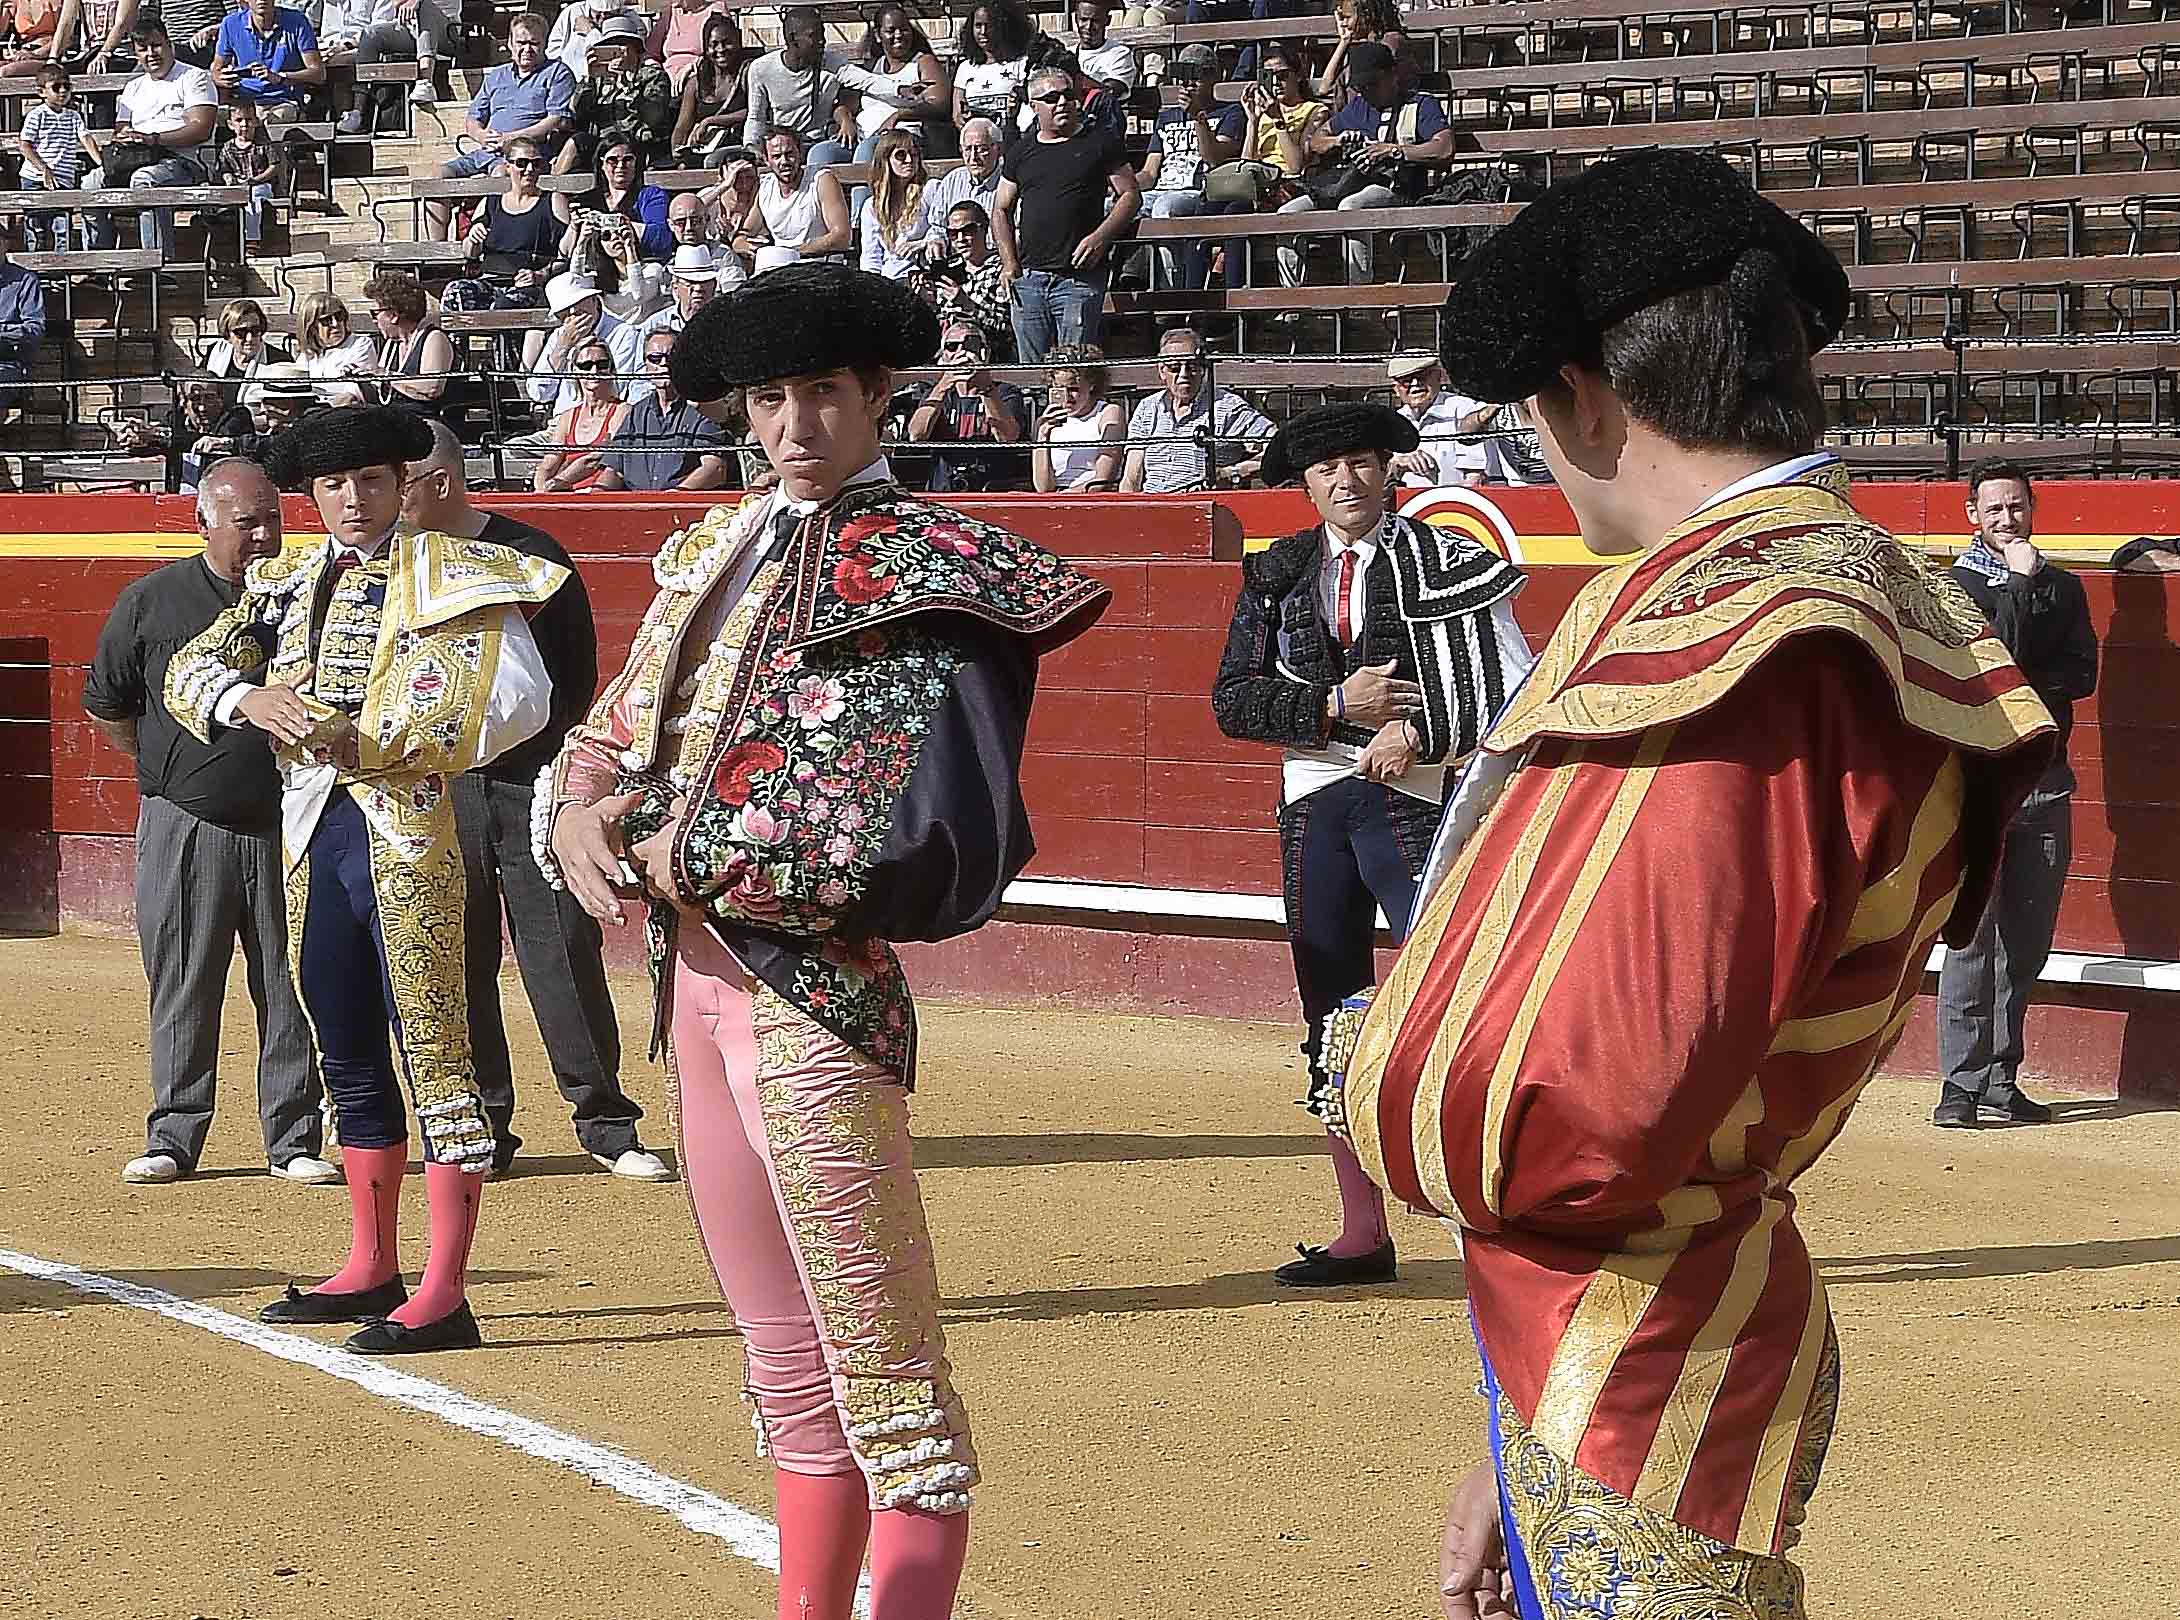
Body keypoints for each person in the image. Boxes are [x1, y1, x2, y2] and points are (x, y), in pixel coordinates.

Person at [1324, 151, 2056, 1620]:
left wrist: (1370, 1074)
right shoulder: (1802, 596)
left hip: (1640, 1364)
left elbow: (1596, 1101)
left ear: (1589, 396)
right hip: (1604, 1350)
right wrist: (1504, 1446)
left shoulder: (1755, 634)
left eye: (1540, 419)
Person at [540, 259, 1109, 1620]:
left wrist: (694, 843)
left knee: (888, 1380)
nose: (795, 425)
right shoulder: (710, 551)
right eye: (771, 400)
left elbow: (904, 828)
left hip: (813, 1001)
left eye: (822, 396)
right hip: (698, 991)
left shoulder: (928, 569)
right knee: (784, 1362)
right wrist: (574, 806)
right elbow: (616, 726)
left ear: (879, 399)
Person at [166, 404, 567, 1355]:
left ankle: (446, 1288)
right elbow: (187, 672)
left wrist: (379, 740)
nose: (354, 500)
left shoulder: (456, 573)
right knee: (341, 1037)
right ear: (313, 495)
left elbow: (522, 701)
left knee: (435, 1048)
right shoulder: (286, 581)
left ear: (402, 487)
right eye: (336, 486)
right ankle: (372, 1263)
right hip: (316, 833)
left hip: (409, 828)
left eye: (373, 482)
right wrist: (247, 694)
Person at [1211, 401, 1528, 1287]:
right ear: (1305, 484)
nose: (1344, 480)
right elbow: (1233, 701)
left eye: (1360, 462)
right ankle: (1362, 1231)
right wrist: (1329, 710)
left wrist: (1419, 733)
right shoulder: (1276, 575)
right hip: (1316, 802)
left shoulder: (1447, 562)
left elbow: (1514, 690)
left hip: (1419, 802)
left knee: (1461, 1004)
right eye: (1325, 468)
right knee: (1331, 1013)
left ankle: (1492, 1213)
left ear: (1390, 469)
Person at [394, 421, 669, 1182]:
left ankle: (605, 1120)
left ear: (440, 482)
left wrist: (557, 778)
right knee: (461, 955)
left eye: (401, 480)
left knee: (560, 950)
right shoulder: (396, 561)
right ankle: (484, 1126)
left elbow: (573, 675)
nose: (389, 497)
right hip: (438, 786)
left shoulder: (531, 556)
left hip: (530, 784)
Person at [84, 459, 332, 1189]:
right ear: (205, 523)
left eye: (273, 521)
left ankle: (292, 1136)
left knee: (292, 981)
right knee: (184, 979)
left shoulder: (306, 599)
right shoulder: (154, 601)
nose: (263, 537)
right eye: (246, 523)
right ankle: (175, 1131)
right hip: (188, 821)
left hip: (293, 820)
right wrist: (166, 772)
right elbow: (110, 706)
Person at [1935, 460, 2100, 1129]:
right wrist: (2022, 588)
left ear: (2034, 508)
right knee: (1972, 939)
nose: (2008, 519)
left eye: (2017, 507)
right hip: (1979, 782)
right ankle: (1959, 1084)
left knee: (2028, 940)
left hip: (2045, 780)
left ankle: (2001, 1077)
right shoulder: (1954, 588)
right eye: (1994, 509)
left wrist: (2032, 609)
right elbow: (1996, 661)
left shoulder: (2065, 586)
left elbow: (2081, 672)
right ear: (1972, 515)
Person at [991, 64, 1140, 363]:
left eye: (1067, 95)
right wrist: (1009, 264)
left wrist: (1101, 237)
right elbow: (1000, 209)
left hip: (1079, 280)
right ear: (1034, 107)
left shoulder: (1100, 142)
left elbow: (1130, 195)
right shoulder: (1021, 151)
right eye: (1051, 98)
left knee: (1075, 372)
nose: (1061, 102)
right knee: (1031, 379)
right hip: (1029, 279)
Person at [1275, 40, 1449, 290]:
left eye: (1372, 84)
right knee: (1287, 215)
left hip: (1397, 187)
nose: (1366, 91)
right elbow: (1315, 142)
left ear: (1392, 75)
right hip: (1346, 182)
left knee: (1351, 207)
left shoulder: (1420, 104)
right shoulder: (1359, 106)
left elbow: (1444, 148)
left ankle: (1358, 296)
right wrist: (1338, 140)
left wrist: (1394, 150)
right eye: (1360, 86)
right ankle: (1292, 300)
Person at [82, 20, 216, 264]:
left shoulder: (194, 77)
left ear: (169, 45)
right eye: (142, 49)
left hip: (184, 161)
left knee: (144, 180)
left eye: (156, 46)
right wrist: (130, 138)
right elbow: (121, 130)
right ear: (135, 53)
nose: (150, 54)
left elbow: (201, 129)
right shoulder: (133, 87)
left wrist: (153, 139)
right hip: (136, 157)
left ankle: (157, 263)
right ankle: (97, 262)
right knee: (90, 183)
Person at [429, 12, 574, 238]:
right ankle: (436, 252)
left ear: (544, 44)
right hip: (487, 150)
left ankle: (489, 246)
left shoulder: (557, 73)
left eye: (534, 43)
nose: (527, 49)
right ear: (509, 43)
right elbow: (472, 120)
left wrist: (512, 138)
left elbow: (555, 119)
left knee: (499, 176)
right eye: (521, 42)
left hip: (527, 156)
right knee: (437, 176)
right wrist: (481, 135)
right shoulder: (496, 76)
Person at [1133, 43, 1242, 291]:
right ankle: (1125, 283)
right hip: (1160, 189)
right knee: (1111, 206)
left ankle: (1171, 292)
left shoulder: (1230, 112)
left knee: (1164, 208)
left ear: (1215, 76)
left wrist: (1197, 117)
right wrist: (1122, 185)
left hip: (1197, 191)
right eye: (1182, 76)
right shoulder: (1166, 116)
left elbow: (1214, 159)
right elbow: (1150, 173)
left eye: (1197, 75)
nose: (1188, 83)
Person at [1220, 45, 1324, 289]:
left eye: (1283, 75)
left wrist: (1278, 120)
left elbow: (1296, 165)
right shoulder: (1263, 114)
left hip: (1289, 184)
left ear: (1298, 75)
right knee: (1207, 208)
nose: (1276, 83)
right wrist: (1253, 122)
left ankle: (1235, 290)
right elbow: (1247, 164)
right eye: (1269, 76)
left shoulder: (1315, 111)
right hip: (1258, 184)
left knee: (1235, 210)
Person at [1120, 325, 1270, 491]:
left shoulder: (1227, 406)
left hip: (1204, 505)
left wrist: (1233, 472)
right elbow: (1131, 478)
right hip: (1152, 505)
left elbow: (1275, 446)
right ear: (1162, 371)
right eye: (1174, 368)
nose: (1184, 374)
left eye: (1192, 367)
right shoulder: (1147, 408)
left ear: (1203, 369)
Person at [595, 326, 735, 490]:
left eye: (671, 357)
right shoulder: (636, 413)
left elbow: (714, 468)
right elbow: (614, 469)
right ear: (646, 366)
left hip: (685, 507)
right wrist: (598, 491)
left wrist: (674, 496)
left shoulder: (702, 408)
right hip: (637, 508)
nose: (664, 364)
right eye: (655, 358)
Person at [444, 135, 565, 325]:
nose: (530, 169)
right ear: (508, 167)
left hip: (528, 284)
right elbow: (470, 254)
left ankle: (506, 354)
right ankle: (456, 353)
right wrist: (473, 239)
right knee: (456, 293)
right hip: (490, 280)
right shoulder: (490, 202)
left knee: (505, 306)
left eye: (536, 163)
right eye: (522, 163)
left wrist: (541, 275)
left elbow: (566, 255)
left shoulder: (552, 201)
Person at [905, 318, 1028, 493]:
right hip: (944, 491)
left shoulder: (1004, 392)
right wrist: (944, 383)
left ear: (985, 352)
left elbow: (1008, 437)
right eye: (952, 347)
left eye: (969, 346)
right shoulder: (935, 393)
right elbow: (916, 434)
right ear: (943, 356)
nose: (960, 352)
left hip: (992, 491)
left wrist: (986, 388)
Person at [741, 4, 853, 168]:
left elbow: (863, 83)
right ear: (793, 38)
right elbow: (756, 116)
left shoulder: (830, 65)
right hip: (778, 143)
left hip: (812, 140)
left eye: (823, 34)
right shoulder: (761, 68)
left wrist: (898, 88)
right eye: (813, 35)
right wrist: (751, 146)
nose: (822, 40)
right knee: (721, 161)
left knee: (817, 155)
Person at [110, 370, 255, 492]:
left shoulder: (237, 416)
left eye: (210, 398)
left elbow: (207, 440)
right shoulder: (175, 420)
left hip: (223, 498)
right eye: (195, 399)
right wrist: (134, 437)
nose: (202, 407)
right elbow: (155, 445)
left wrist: (158, 434)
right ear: (183, 402)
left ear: (221, 399)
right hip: (180, 499)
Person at [565, 14, 676, 169]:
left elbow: (653, 117)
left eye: (621, 44)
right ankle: (551, 191)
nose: (616, 51)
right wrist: (588, 79)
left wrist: (626, 85)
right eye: (610, 45)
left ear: (635, 47)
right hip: (602, 144)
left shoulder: (653, 76)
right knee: (576, 142)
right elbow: (577, 112)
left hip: (639, 143)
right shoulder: (598, 79)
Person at [733, 127, 853, 271]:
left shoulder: (821, 180)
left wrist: (794, 252)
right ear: (766, 160)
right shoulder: (765, 186)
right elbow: (746, 232)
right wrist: (741, 243)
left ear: (800, 154)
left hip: (819, 266)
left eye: (789, 154)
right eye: (777, 156)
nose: (784, 161)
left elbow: (842, 237)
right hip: (777, 268)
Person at [847, 3, 950, 166]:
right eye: (891, 30)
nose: (899, 35)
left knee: (867, 151)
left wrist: (899, 115)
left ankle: (863, 192)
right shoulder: (870, 68)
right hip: (862, 136)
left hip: (903, 139)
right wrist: (845, 120)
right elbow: (846, 104)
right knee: (823, 152)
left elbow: (939, 104)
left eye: (904, 29)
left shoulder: (923, 62)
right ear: (878, 35)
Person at [17, 64, 100, 252]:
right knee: (36, 228)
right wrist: (44, 169)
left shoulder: (74, 116)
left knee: (62, 229)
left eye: (67, 86)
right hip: (35, 179)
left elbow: (85, 138)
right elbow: (25, 145)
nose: (62, 91)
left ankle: (60, 274)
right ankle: (39, 273)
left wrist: (101, 164)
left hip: (63, 180)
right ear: (42, 92)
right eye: (56, 87)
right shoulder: (36, 115)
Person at [1387, 352, 1496, 486]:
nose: (1415, 384)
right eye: (1406, 380)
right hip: (1408, 503)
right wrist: (1397, 462)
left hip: (1455, 501)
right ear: (1396, 389)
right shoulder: (1394, 421)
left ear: (1438, 377)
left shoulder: (1463, 410)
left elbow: (1475, 477)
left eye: (1422, 376)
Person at [917, 200, 1010, 357]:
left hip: (987, 354)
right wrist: (927, 302)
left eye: (968, 230)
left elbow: (1006, 330)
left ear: (984, 228)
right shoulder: (947, 269)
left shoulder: (1001, 269)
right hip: (946, 352)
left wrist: (967, 306)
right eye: (953, 234)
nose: (960, 239)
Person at [210, 0, 323, 128]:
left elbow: (318, 73)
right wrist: (223, 77)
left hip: (283, 100)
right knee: (211, 116)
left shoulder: (297, 21)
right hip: (243, 101)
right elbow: (216, 70)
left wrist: (280, 77)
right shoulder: (230, 24)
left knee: (277, 117)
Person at [533, 337, 627, 490]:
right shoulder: (567, 417)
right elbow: (549, 462)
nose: (594, 371)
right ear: (575, 371)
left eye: (602, 364)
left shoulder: (622, 410)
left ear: (611, 368)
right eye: (586, 365)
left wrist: (555, 483)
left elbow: (596, 458)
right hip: (566, 492)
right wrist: (540, 488)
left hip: (601, 492)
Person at [364, 267, 457, 421]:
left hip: (426, 423)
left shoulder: (434, 338)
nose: (374, 320)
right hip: (394, 421)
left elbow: (431, 388)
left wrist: (385, 375)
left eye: (375, 313)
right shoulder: (391, 344)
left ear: (393, 315)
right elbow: (382, 391)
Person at [1030, 342, 1124, 492]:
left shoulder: (1108, 412)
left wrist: (1067, 496)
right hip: (1054, 499)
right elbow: (1043, 487)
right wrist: (1042, 437)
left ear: (1092, 384)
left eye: (1073, 389)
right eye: (1059, 388)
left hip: (1089, 498)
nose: (1067, 397)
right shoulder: (1045, 421)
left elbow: (1102, 479)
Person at [670, 11, 746, 165]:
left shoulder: (748, 73)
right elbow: (682, 126)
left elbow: (754, 112)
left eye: (727, 42)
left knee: (713, 161)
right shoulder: (696, 83)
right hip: (704, 148)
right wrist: (677, 152)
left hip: (737, 145)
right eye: (714, 45)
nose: (721, 50)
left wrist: (712, 121)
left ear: (738, 42)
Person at [915, 116, 1002, 244]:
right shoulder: (952, 180)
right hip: (955, 257)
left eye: (981, 149)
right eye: (967, 149)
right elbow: (937, 226)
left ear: (998, 149)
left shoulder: (1009, 182)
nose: (973, 157)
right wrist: (936, 240)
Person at [951, 0, 1032, 134]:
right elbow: (958, 115)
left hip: (1013, 137)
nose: (983, 32)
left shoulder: (1022, 64)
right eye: (978, 25)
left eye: (989, 26)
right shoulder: (965, 68)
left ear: (1004, 26)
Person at [858, 129, 929, 281]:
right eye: (901, 155)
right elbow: (871, 258)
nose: (909, 160)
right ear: (886, 159)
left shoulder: (930, 191)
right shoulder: (871, 206)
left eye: (914, 154)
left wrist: (922, 243)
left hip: (923, 275)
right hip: (890, 280)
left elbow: (942, 232)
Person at [214, 98, 283, 248]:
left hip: (261, 185)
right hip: (238, 185)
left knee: (253, 198)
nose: (244, 124)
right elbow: (224, 169)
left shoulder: (263, 144)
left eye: (249, 120)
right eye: (239, 120)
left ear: (256, 122)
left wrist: (256, 180)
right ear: (231, 125)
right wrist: (229, 178)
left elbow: (274, 166)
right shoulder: (227, 148)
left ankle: (252, 239)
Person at [200, 297, 288, 411]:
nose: (249, 338)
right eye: (240, 332)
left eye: (255, 330)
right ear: (228, 334)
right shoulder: (214, 354)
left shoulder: (279, 360)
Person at [295, 290, 381, 407]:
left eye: (339, 316)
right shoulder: (307, 354)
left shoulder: (360, 344)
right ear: (312, 326)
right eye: (326, 320)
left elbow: (351, 395)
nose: (335, 324)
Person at [0, 248, 46, 412]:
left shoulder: (25, 280)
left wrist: (4, 332)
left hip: (7, 363)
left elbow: (35, 328)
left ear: (4, 244)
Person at [644, 0, 724, 92]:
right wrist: (659, 75)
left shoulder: (715, 11)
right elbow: (649, 54)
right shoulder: (669, 14)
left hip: (700, 79)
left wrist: (694, 66)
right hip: (666, 84)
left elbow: (722, 52)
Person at [1070, 0, 1137, 91]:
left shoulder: (1119, 54)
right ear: (1075, 19)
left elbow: (1110, 91)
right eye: (1084, 20)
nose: (1088, 26)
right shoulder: (1068, 53)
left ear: (1107, 20)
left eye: (1096, 21)